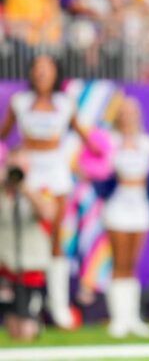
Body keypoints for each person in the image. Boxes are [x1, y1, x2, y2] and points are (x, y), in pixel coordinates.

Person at [0, 55, 94, 329]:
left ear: (56, 74)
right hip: (28, 174)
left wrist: (98, 158)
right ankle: (29, 301)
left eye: (47, 69)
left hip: (55, 174)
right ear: (31, 73)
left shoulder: (66, 104)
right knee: (27, 235)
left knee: (55, 238)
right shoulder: (20, 102)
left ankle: (58, 304)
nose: (42, 73)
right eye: (37, 68)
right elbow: (4, 133)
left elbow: (87, 137)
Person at [103, 97, 149, 338]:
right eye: (123, 111)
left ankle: (132, 317)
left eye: (131, 111)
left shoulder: (146, 142)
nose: (127, 116)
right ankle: (118, 318)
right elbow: (91, 164)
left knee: (132, 263)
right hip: (117, 203)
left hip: (139, 204)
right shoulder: (110, 141)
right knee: (119, 262)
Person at [0, 148, 54, 341]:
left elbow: (47, 213)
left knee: (27, 329)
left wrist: (25, 188)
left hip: (31, 264)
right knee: (13, 325)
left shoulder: (41, 189)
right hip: (6, 264)